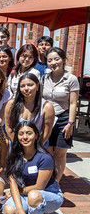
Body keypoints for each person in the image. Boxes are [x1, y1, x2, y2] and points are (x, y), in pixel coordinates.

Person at [2, 122, 63, 214]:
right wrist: (19, 209)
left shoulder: (44, 157)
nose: (25, 137)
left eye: (29, 133)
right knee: (9, 211)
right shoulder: (14, 155)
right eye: (21, 134)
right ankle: (32, 212)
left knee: (34, 196)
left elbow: (39, 187)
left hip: (49, 195)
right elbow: (13, 182)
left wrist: (16, 193)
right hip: (26, 193)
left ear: (36, 135)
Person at [43, 47, 79, 182]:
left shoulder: (71, 79)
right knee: (48, 151)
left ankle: (56, 183)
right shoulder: (44, 78)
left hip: (64, 118)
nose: (53, 63)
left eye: (56, 59)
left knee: (60, 153)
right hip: (47, 119)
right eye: (50, 60)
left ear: (63, 60)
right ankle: (47, 180)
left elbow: (73, 103)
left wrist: (70, 123)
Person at [5, 73, 55, 143]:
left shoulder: (46, 107)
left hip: (39, 145)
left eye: (30, 85)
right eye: (22, 86)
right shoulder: (11, 104)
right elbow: (8, 127)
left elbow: (46, 133)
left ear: (37, 86)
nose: (26, 88)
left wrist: (34, 149)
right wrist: (17, 145)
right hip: (16, 144)